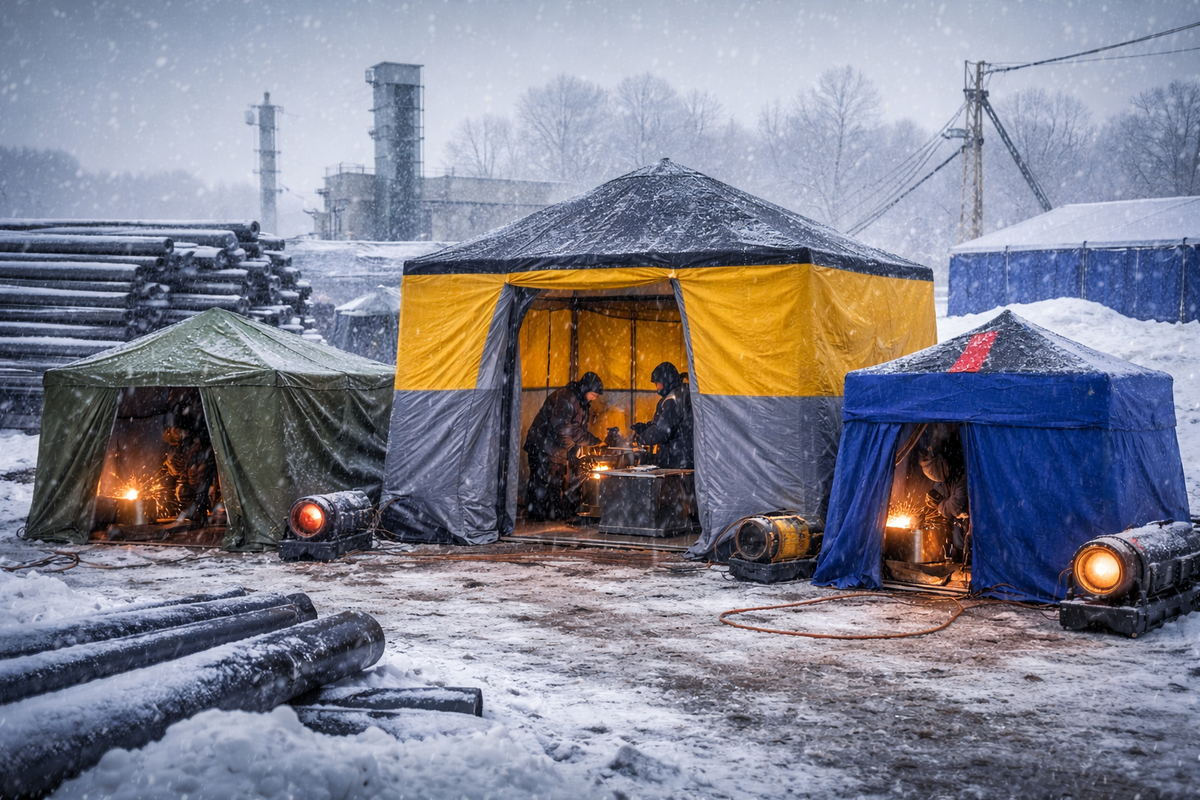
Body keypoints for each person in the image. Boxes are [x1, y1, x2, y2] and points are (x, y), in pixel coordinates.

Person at [523, 371, 604, 521]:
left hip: (554, 448)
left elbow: (577, 429)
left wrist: (578, 449)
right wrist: (588, 442)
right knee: (541, 483)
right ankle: (538, 518)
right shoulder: (567, 398)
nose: (595, 397)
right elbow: (563, 429)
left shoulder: (582, 403)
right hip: (542, 445)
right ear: (585, 389)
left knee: (555, 481)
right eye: (593, 394)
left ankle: (551, 514)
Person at [632, 362, 694, 469]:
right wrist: (646, 428)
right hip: (688, 455)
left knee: (674, 485)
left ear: (666, 381)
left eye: (658, 383)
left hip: (678, 459)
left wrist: (641, 439)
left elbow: (662, 430)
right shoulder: (682, 392)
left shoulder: (673, 398)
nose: (657, 389)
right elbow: (667, 423)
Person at [919, 427, 969, 560]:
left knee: (963, 545)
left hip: (970, 525)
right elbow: (939, 491)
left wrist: (940, 504)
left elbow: (957, 506)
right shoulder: (948, 476)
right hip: (959, 526)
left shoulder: (961, 474)